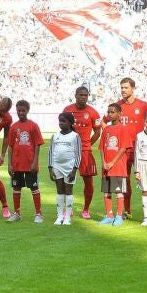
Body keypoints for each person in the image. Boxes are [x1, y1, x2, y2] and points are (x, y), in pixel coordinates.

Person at [113, 78, 147, 218]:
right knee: (124, 180)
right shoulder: (117, 106)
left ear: (133, 88)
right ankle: (126, 211)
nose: (123, 90)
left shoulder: (143, 106)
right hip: (123, 150)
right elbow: (105, 123)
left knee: (144, 180)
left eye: (126, 87)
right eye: (121, 87)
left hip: (140, 150)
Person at [63, 86, 101, 219]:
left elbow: (98, 131)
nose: (83, 97)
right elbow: (62, 127)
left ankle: (86, 209)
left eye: (86, 95)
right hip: (69, 150)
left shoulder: (93, 112)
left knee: (88, 181)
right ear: (75, 95)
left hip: (85, 151)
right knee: (67, 180)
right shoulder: (68, 110)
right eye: (81, 95)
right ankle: (68, 207)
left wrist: (87, 144)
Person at [6, 100, 44, 223]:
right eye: (18, 111)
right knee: (16, 188)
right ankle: (17, 213)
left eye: (23, 110)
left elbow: (38, 145)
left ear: (28, 110)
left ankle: (38, 213)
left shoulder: (33, 126)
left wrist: (34, 162)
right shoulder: (13, 127)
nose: (21, 113)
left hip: (30, 164)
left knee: (34, 188)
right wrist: (9, 164)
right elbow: (10, 146)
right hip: (16, 164)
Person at [99, 103, 133, 226]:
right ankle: (109, 215)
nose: (110, 114)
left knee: (119, 191)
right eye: (108, 112)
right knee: (106, 192)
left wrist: (112, 162)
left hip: (118, 166)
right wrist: (104, 162)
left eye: (112, 112)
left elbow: (123, 148)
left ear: (119, 114)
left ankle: (118, 216)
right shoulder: (106, 129)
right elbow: (102, 148)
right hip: (106, 166)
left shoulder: (123, 129)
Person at [48, 112, 81, 226]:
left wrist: (74, 170)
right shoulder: (55, 136)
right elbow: (51, 152)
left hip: (69, 167)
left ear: (71, 123)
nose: (61, 123)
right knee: (59, 190)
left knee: (68, 190)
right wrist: (50, 168)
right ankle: (59, 216)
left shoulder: (75, 136)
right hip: (57, 166)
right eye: (60, 121)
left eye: (64, 121)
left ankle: (67, 217)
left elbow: (78, 154)